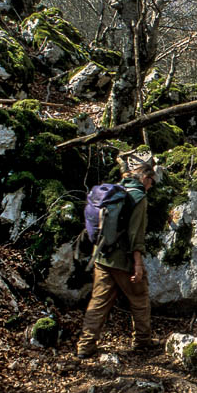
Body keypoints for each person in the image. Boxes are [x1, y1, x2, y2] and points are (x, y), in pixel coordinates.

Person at [77, 150, 157, 358]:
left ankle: (85, 345)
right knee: (139, 298)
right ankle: (142, 341)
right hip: (122, 259)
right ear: (145, 178)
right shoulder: (139, 197)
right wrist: (137, 264)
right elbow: (135, 235)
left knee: (98, 302)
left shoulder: (117, 189)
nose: (152, 186)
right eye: (152, 181)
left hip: (102, 255)